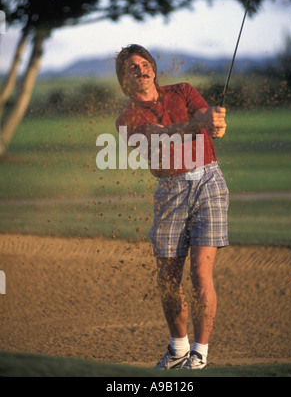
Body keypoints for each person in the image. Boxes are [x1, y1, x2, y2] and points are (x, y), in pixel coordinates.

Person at [115, 44, 229, 370]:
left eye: (144, 63)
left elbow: (212, 126)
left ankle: (199, 355)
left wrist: (217, 124)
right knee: (168, 277)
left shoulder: (182, 90)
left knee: (200, 272)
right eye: (132, 67)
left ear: (153, 67)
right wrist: (202, 123)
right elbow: (163, 138)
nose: (141, 69)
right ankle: (178, 348)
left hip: (209, 181)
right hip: (171, 191)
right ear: (125, 80)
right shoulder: (128, 118)